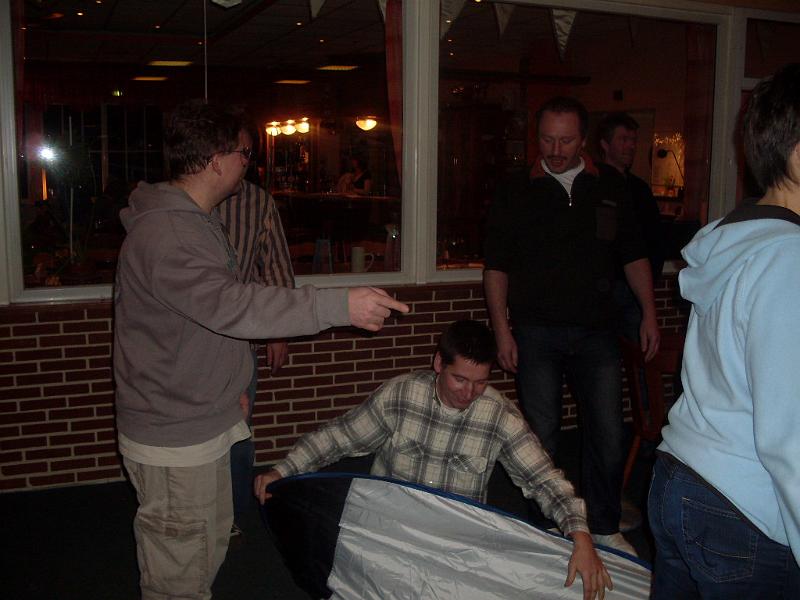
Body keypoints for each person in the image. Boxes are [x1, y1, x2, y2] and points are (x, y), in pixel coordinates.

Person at [113, 99, 409, 600]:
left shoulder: (194, 220)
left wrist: (230, 387)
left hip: (200, 417)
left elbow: (203, 320)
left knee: (205, 548)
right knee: (178, 576)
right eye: (246, 154)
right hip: (174, 435)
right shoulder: (170, 233)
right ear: (216, 160)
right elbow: (230, 305)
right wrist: (338, 305)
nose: (249, 165)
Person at [255, 320, 614, 600]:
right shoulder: (401, 394)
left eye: (480, 382)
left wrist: (581, 536)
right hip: (390, 533)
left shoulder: (499, 416)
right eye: (460, 379)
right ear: (438, 363)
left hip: (455, 544)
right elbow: (338, 437)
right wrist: (283, 470)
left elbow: (543, 479)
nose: (469, 393)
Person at [648, 63, 800, 599]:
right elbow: (790, 432)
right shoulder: (788, 258)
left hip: (684, 476)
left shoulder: (740, 238)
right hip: (743, 504)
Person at [483, 96, 660, 556]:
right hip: (535, 330)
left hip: (597, 331)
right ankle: (545, 527)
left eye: (565, 141)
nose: (555, 150)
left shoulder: (610, 187)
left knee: (607, 431)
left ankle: (602, 524)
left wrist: (649, 312)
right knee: (541, 434)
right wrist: (502, 330)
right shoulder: (515, 189)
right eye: (547, 140)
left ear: (583, 140)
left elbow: (634, 255)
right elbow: (496, 267)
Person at [217, 120, 296, 537]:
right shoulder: (181, 203)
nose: (247, 161)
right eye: (240, 152)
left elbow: (277, 270)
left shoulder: (257, 202)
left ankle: (230, 515)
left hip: (239, 339)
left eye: (250, 153)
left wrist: (278, 333)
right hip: (188, 341)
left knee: (238, 430)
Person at [596, 112, 666, 343]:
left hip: (634, 291)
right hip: (604, 290)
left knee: (640, 351)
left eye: (633, 140)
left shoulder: (639, 189)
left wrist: (650, 279)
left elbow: (654, 239)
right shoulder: (593, 186)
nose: (631, 146)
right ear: (605, 144)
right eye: (623, 139)